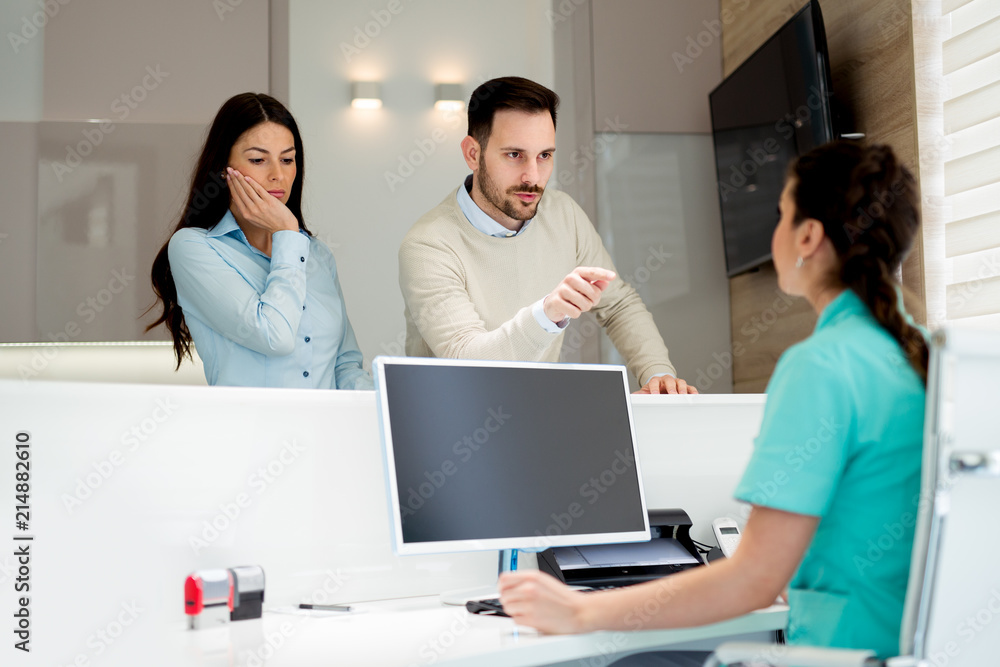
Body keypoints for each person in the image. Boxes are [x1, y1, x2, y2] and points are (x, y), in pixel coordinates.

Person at [498, 141, 928, 664]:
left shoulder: (820, 367)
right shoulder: (924, 355)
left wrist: (580, 613)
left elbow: (751, 581)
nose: (777, 228)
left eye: (782, 213)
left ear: (808, 236)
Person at [398, 76, 696, 394]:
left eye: (545, 155)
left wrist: (656, 374)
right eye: (514, 155)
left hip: (535, 412)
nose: (533, 177)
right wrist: (547, 312)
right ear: (473, 153)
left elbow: (618, 304)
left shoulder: (562, 213)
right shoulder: (428, 245)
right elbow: (469, 360)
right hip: (451, 425)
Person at [147, 93, 372, 390]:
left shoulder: (316, 254)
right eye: (258, 160)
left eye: (288, 159)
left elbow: (345, 363)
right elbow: (273, 336)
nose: (278, 175)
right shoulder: (193, 248)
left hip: (326, 431)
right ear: (222, 168)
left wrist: (376, 415)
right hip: (250, 432)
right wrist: (287, 236)